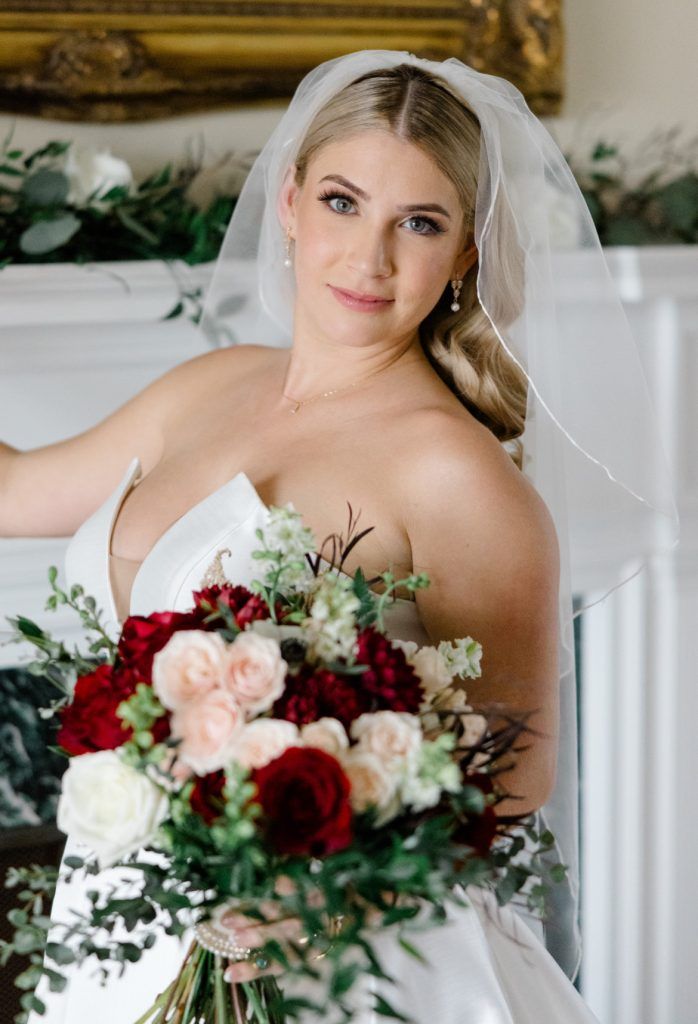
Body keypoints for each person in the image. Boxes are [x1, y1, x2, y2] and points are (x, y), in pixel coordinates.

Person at [3, 49, 677, 1023]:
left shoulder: (457, 475)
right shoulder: (209, 385)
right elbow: (18, 486)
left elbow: (510, 780)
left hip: (330, 963)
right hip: (124, 916)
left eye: (419, 222)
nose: (368, 258)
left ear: (465, 252)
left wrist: (318, 895)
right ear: (287, 201)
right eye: (341, 201)